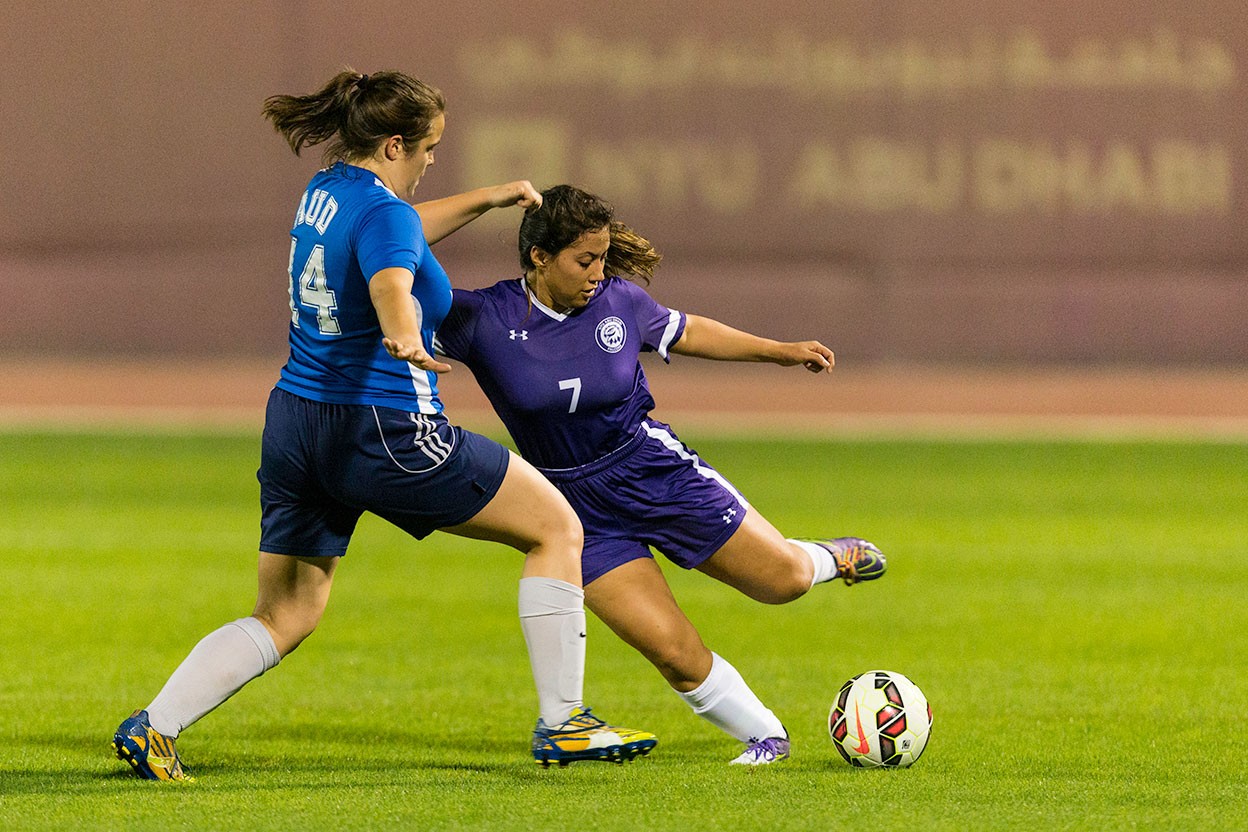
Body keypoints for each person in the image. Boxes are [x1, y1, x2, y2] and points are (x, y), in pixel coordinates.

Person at [111, 73, 655, 781]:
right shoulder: (386, 219)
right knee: (556, 527)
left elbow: (395, 232)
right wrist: (403, 335)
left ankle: (154, 726)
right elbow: (392, 281)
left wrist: (489, 198)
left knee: (289, 611)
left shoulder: (330, 190)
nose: (432, 160)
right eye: (428, 148)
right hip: (385, 425)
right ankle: (565, 722)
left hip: (297, 423)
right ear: (395, 143)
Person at [432, 185, 887, 766]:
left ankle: (825, 557)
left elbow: (689, 330)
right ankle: (768, 737)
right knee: (672, 651)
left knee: (784, 582)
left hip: (652, 471)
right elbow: (394, 274)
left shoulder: (620, 302)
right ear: (539, 258)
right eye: (584, 260)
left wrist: (777, 350)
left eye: (602, 258)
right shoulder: (481, 317)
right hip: (569, 510)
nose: (598, 272)